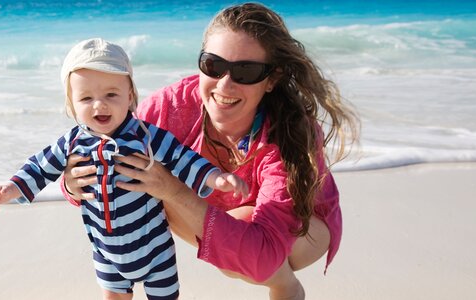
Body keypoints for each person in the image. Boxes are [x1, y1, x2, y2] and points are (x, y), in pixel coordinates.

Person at [61, 3, 360, 300]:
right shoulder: (172, 106)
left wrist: (174, 191)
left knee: (241, 241)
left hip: (302, 230)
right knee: (142, 176)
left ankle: (286, 286)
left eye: (246, 71)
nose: (225, 85)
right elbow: (102, 154)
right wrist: (73, 185)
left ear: (272, 79)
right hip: (214, 211)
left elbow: (265, 254)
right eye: (214, 66)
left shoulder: (288, 132)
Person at [0, 38, 249, 300]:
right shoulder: (71, 144)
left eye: (111, 94)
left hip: (155, 250)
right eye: (86, 98)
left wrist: (215, 178)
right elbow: (39, 168)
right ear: (71, 104)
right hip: (107, 254)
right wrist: (12, 187)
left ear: (130, 95)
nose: (100, 104)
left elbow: (182, 158)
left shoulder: (145, 136)